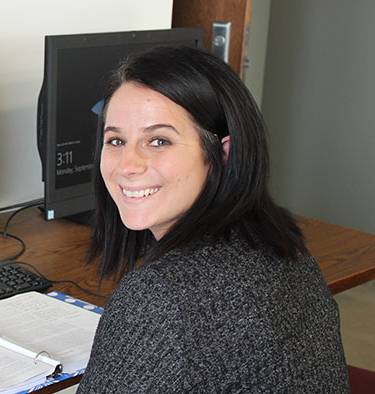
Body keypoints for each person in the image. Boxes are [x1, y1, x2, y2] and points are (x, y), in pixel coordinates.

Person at [77, 46, 350, 393]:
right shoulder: (283, 246)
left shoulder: (158, 299)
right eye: (116, 140)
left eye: (158, 141)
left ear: (223, 153)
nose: (127, 165)